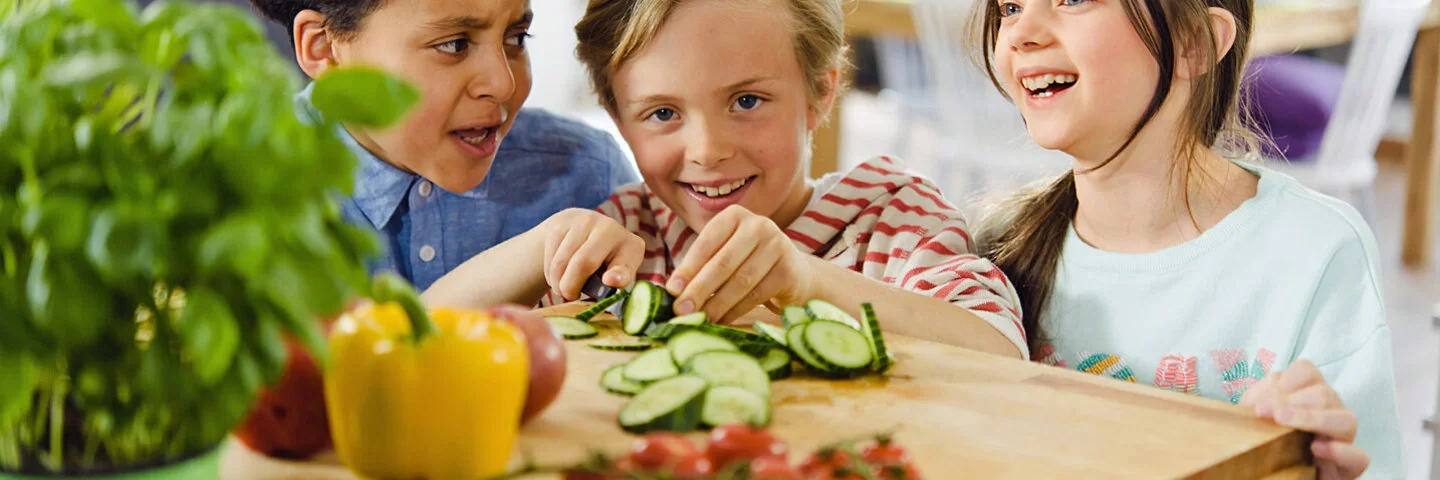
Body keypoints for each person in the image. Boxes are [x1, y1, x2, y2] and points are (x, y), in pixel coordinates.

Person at [423, 0, 1026, 358]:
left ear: (819, 94)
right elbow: (416, 338)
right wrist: (541, 244)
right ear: (618, 120)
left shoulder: (887, 215)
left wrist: (805, 281)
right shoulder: (628, 233)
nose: (707, 151)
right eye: (662, 114)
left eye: (746, 101)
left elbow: (1000, 347)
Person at [970, 0, 1401, 477]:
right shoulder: (994, 248)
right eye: (1009, 7)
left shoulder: (1318, 251)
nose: (1020, 33)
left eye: (1072, 0)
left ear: (1193, 44)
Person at [248, 0, 639, 290]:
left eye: (516, 38)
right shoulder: (240, 193)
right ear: (324, 48)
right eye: (454, 45)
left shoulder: (588, 173)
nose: (503, 84)